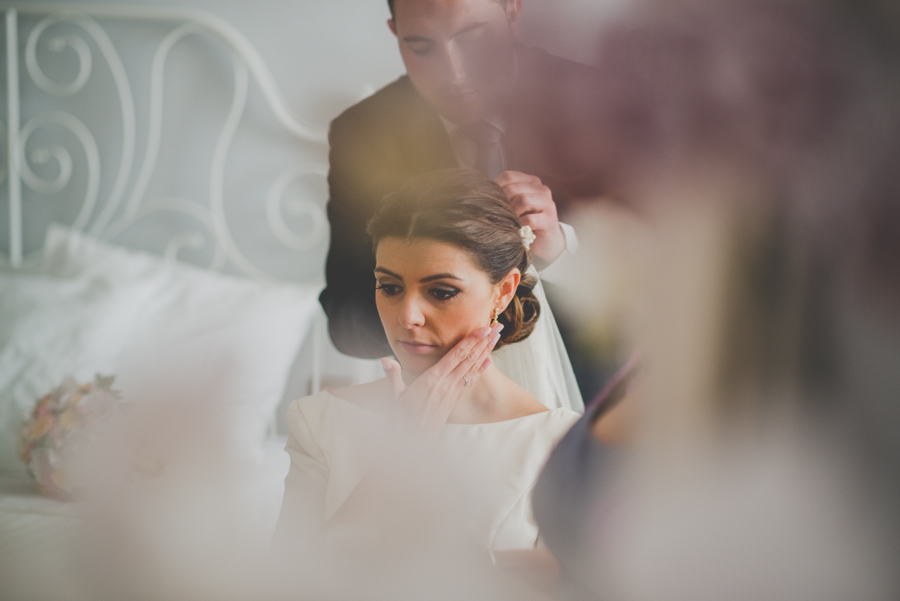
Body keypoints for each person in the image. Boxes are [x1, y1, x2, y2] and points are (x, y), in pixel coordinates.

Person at [275, 169, 580, 567]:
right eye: (390, 287)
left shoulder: (559, 446)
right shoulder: (319, 422)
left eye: (441, 292)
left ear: (503, 292)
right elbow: (286, 582)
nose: (408, 316)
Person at [319, 0, 597, 411]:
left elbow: (666, 287)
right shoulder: (364, 133)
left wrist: (561, 253)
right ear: (395, 33)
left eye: (473, 39)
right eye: (421, 47)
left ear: (512, 12)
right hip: (445, 418)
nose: (454, 73)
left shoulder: (600, 103)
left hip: (602, 401)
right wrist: (436, 300)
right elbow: (346, 322)